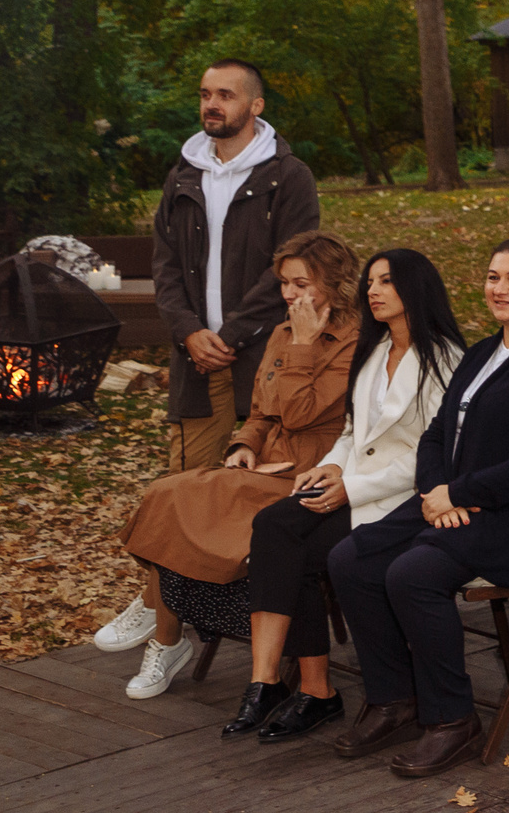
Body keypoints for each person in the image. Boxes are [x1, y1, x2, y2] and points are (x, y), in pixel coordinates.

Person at [328, 238, 509, 776]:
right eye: (494, 277)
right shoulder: (480, 353)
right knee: (348, 561)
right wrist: (434, 494)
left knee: (412, 574)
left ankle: (452, 719)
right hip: (457, 501)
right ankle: (395, 697)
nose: (500, 288)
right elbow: (434, 435)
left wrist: (462, 495)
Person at [227, 248, 466, 741]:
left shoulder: (445, 357)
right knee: (274, 527)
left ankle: (318, 693)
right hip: (353, 482)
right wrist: (329, 467)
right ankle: (270, 681)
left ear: (416, 289)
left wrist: (351, 488)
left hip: (404, 500)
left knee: (299, 550)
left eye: (386, 282)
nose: (373, 291)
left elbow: (432, 451)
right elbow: (354, 431)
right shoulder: (375, 351)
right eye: (371, 282)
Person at [116, 231, 362, 704]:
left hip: (310, 473)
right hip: (264, 465)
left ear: (334, 283)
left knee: (182, 498)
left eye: (300, 283)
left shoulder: (352, 342)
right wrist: (244, 442)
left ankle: (159, 621)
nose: (288, 294)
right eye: (284, 283)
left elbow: (301, 413)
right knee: (168, 493)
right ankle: (164, 635)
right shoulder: (282, 331)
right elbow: (264, 412)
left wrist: (307, 345)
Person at [142, 58, 322, 482]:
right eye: (206, 95)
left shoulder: (290, 177)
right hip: (196, 360)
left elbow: (290, 268)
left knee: (261, 484)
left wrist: (229, 337)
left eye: (226, 95)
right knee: (185, 486)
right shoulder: (183, 177)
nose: (212, 104)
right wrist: (189, 332)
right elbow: (164, 265)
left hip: (267, 354)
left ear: (255, 105)